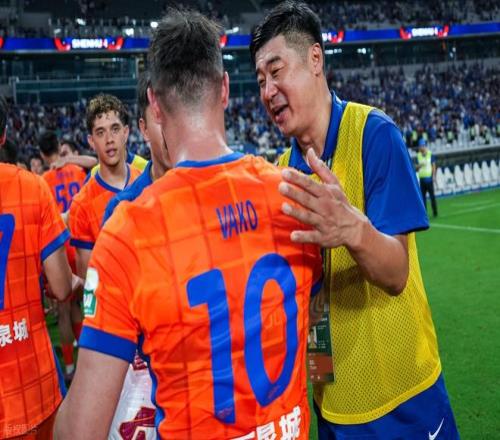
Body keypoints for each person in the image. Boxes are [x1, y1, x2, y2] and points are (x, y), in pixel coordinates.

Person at [55, 10, 322, 439]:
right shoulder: (293, 194)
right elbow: (319, 320)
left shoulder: (128, 232)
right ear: (225, 88)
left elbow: (81, 431)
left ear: (156, 106)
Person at [251, 2, 459, 439]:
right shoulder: (280, 174)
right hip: (332, 409)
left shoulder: (373, 134)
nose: (268, 90)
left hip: (405, 400)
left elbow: (396, 273)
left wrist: (352, 229)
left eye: (276, 70)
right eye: (260, 79)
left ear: (315, 59)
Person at [0, 95, 82, 439]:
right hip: (29, 381)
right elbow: (61, 287)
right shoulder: (33, 186)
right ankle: (78, 365)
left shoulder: (43, 179)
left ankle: (72, 363)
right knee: (75, 309)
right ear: (5, 134)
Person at [68, 93, 141, 280]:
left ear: (126, 133)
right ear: (91, 141)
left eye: (115, 129)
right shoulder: (82, 205)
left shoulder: (146, 182)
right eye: (100, 132)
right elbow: (89, 282)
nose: (109, 139)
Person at [39, 130, 87, 380]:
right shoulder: (78, 171)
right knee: (82, 306)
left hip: (58, 250)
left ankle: (69, 366)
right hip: (79, 244)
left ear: (41, 154)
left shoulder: (43, 181)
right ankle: (87, 360)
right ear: (59, 146)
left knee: (65, 311)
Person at [102, 70, 171, 225]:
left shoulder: (211, 189)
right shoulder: (121, 209)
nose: (171, 129)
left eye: (177, 116)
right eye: (160, 117)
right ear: (144, 129)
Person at [416, 138, 438, 217]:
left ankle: (435, 212)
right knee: (423, 198)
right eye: (420, 146)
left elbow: (434, 166)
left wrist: (434, 176)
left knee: (432, 197)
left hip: (429, 179)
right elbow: (416, 168)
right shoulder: (418, 155)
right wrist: (420, 165)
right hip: (422, 180)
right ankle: (424, 214)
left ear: (424, 146)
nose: (420, 147)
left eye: (422, 146)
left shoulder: (430, 154)